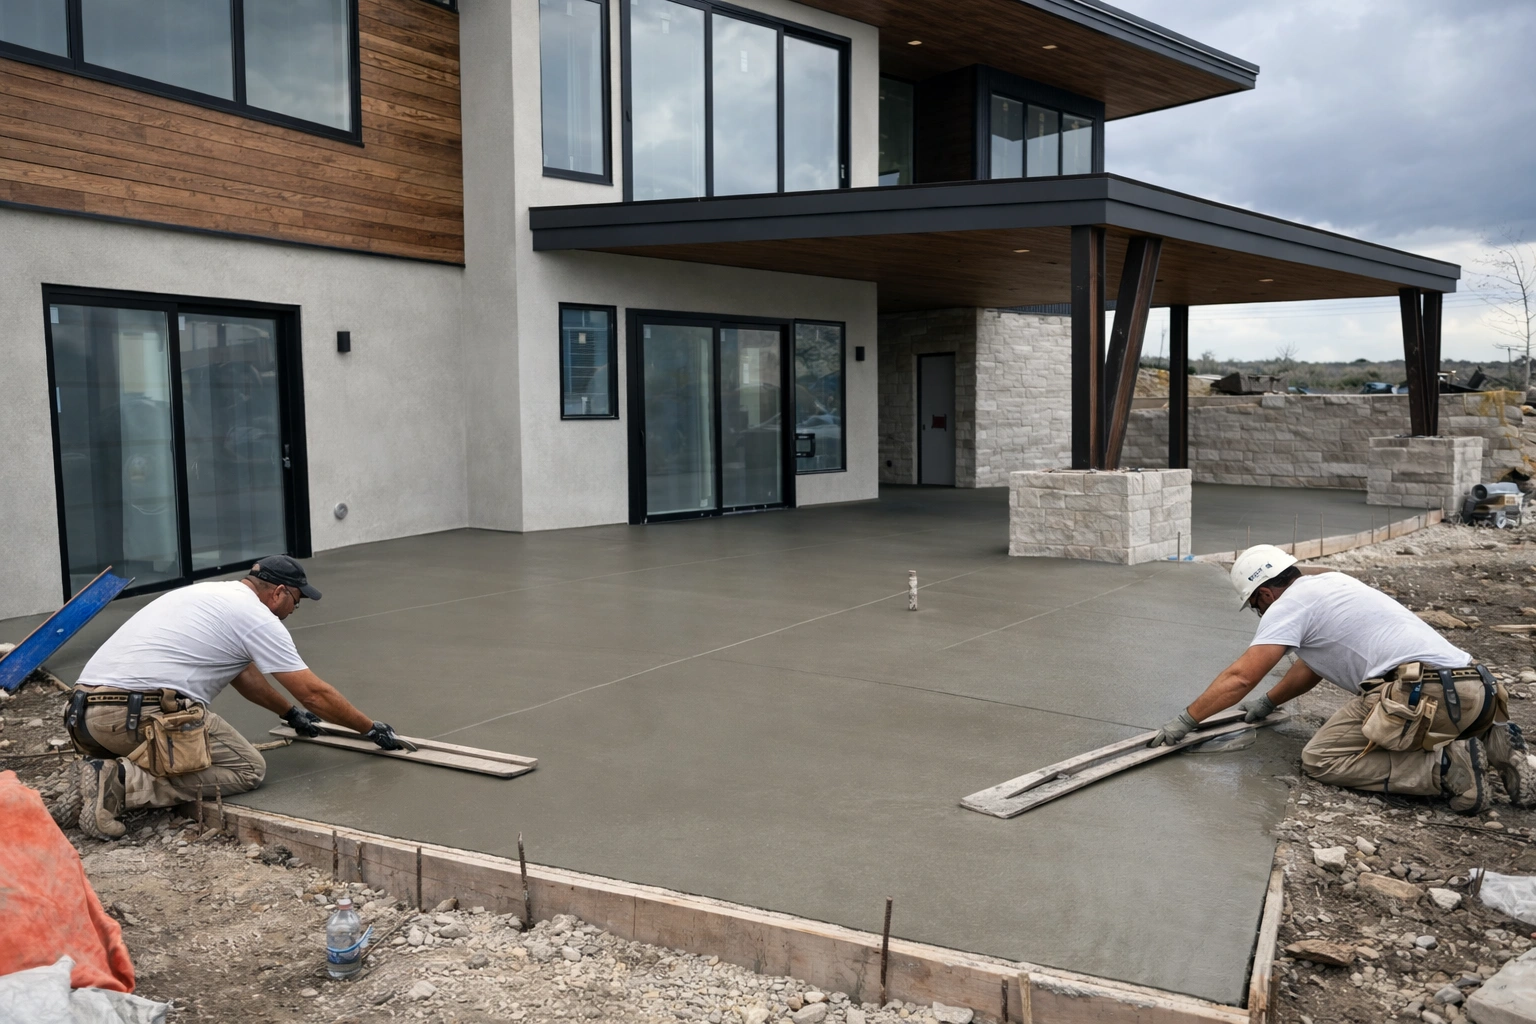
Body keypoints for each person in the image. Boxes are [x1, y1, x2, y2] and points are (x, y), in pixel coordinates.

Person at [1149, 544, 1534, 815]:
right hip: (1479, 689)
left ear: (1265, 593)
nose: (1258, 611)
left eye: (1254, 605)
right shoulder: (1335, 585)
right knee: (1440, 714)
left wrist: (1187, 719)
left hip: (1423, 693)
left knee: (1321, 759)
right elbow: (1313, 666)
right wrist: (1270, 702)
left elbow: (1240, 676)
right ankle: (1502, 748)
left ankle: (1445, 767)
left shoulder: (1286, 606)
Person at [64, 555, 414, 839]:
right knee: (247, 769)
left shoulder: (206, 594)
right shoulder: (257, 617)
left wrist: (290, 714)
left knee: (188, 745)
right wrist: (368, 729)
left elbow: (244, 676)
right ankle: (121, 783)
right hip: (137, 715)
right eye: (296, 600)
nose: (295, 610)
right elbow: (314, 693)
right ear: (278, 592)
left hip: (84, 718)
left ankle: (95, 777)